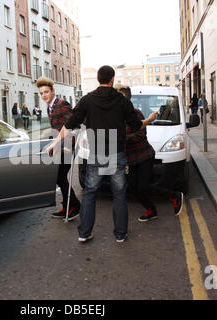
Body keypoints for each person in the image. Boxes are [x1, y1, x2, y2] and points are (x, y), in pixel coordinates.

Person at [46, 66, 158, 243]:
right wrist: (150, 120)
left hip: (96, 152)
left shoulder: (87, 100)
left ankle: (84, 233)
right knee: (119, 194)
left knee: (90, 193)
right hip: (117, 152)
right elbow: (136, 125)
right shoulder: (122, 101)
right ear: (112, 79)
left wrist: (55, 142)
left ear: (98, 79)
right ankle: (120, 234)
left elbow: (70, 123)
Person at [116, 85, 184, 222]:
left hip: (144, 156)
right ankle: (151, 209)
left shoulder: (135, 114)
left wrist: (120, 139)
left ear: (125, 99)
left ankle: (174, 195)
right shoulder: (115, 116)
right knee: (134, 189)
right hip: (130, 159)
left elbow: (139, 135)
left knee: (143, 186)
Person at [36, 76, 81, 221]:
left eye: (46, 92)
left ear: (53, 91)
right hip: (60, 147)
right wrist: (45, 135)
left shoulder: (62, 104)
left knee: (60, 177)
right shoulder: (50, 107)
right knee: (59, 178)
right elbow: (57, 128)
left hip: (67, 148)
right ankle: (69, 206)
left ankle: (73, 207)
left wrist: (68, 146)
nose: (44, 95)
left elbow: (72, 126)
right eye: (41, 93)